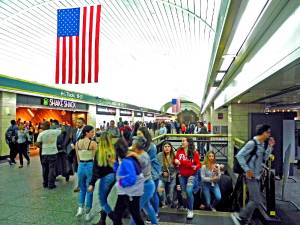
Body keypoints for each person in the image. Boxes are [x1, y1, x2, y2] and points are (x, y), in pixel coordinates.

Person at [231, 124, 275, 225]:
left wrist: (270, 147)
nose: (269, 134)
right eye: (268, 132)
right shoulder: (252, 143)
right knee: (256, 200)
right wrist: (247, 170)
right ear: (263, 133)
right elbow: (239, 155)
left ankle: (245, 220)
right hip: (251, 176)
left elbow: (264, 158)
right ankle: (241, 216)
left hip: (258, 175)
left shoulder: (262, 144)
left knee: (254, 199)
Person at [112, 138, 145, 225]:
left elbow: (132, 178)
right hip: (127, 192)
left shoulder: (127, 161)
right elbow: (120, 171)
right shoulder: (130, 158)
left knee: (135, 215)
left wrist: (121, 183)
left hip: (130, 192)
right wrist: (114, 164)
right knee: (118, 214)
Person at [88, 132, 116, 225]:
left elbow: (96, 170)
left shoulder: (99, 152)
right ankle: (102, 221)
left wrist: (92, 183)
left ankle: (115, 219)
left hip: (105, 178)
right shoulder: (113, 150)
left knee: (102, 201)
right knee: (105, 198)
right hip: (113, 177)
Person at [129, 136, 158, 225]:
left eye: (133, 144)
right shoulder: (141, 153)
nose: (131, 146)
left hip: (145, 186)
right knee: (147, 206)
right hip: (147, 184)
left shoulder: (141, 157)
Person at [137, 127, 161, 221]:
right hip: (144, 174)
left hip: (152, 173)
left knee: (153, 194)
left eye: (140, 134)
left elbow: (146, 161)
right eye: (137, 134)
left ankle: (155, 213)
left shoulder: (151, 146)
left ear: (145, 134)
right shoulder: (140, 145)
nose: (138, 136)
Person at [175, 137, 201, 219]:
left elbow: (198, 164)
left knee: (189, 191)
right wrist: (175, 161)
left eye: (183, 141)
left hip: (191, 175)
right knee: (184, 193)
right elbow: (176, 160)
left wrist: (194, 166)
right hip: (182, 175)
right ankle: (186, 206)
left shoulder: (194, 153)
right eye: (181, 141)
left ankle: (190, 210)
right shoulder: (179, 151)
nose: (182, 142)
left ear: (188, 142)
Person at [75, 125, 97, 221]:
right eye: (92, 132)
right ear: (86, 133)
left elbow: (78, 158)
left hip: (81, 167)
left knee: (82, 189)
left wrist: (81, 165)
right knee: (90, 189)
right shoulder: (93, 143)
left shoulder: (77, 143)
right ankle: (87, 213)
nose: (93, 134)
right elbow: (95, 158)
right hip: (89, 166)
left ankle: (80, 209)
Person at [36, 121, 61, 189]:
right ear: (49, 126)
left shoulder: (41, 134)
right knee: (51, 168)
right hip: (53, 153)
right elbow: (62, 130)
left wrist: (43, 147)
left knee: (45, 169)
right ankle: (51, 184)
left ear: (44, 126)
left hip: (44, 153)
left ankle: (45, 183)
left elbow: (37, 144)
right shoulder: (54, 132)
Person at [157, 141, 177, 208]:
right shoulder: (159, 155)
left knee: (170, 194)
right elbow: (156, 167)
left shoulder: (174, 155)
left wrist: (174, 174)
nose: (167, 148)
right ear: (163, 148)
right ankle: (163, 203)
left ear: (171, 148)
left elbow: (177, 168)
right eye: (165, 147)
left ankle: (170, 204)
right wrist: (162, 173)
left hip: (172, 177)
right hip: (162, 177)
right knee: (160, 189)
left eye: (168, 146)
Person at [71, 118, 86, 192]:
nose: (77, 124)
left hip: (82, 153)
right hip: (75, 153)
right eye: (77, 122)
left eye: (79, 123)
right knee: (77, 169)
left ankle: (80, 185)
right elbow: (71, 139)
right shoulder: (74, 130)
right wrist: (71, 144)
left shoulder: (86, 131)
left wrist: (77, 146)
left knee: (81, 169)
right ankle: (81, 184)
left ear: (83, 123)